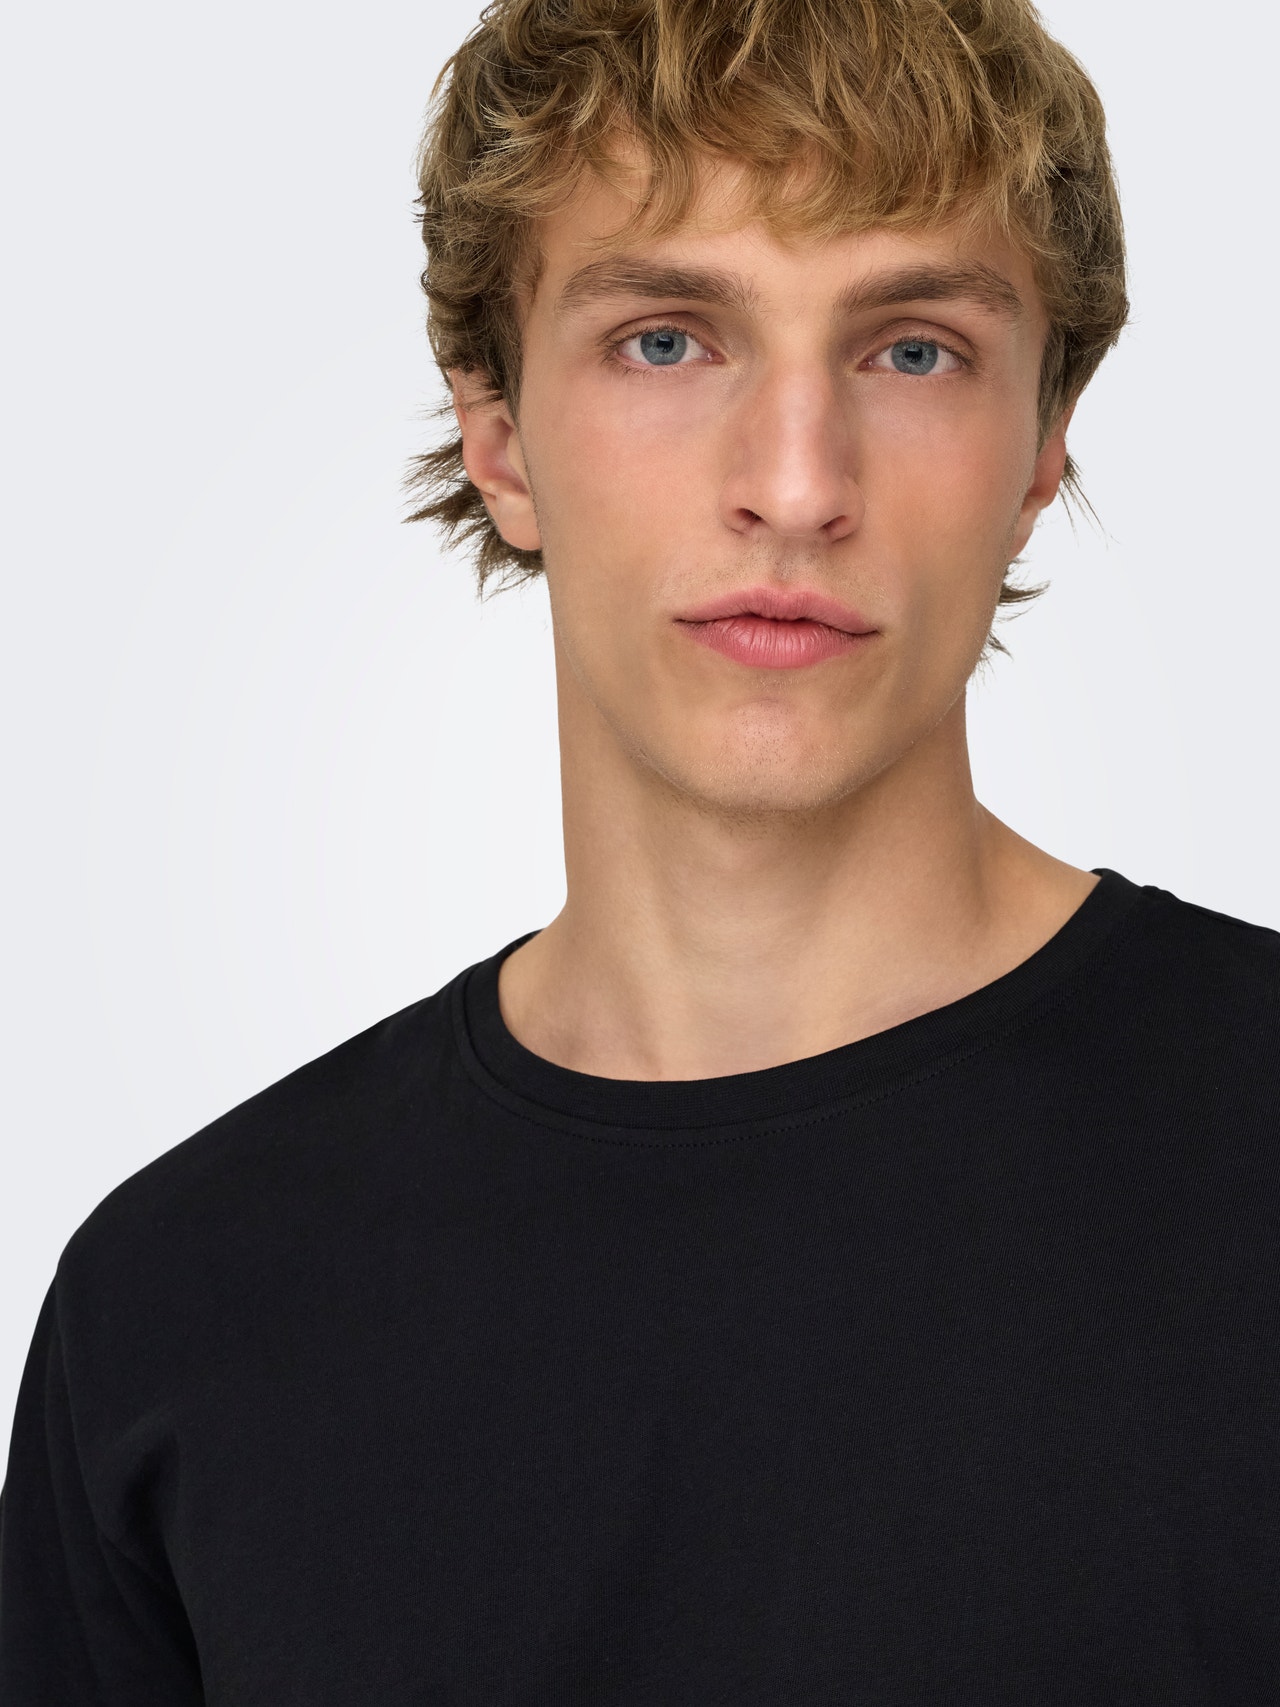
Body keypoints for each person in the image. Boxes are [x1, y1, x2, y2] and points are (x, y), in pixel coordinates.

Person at [2, 0, 1277, 1697]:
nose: (796, 485)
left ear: (1042, 445)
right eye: (668, 340)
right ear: (499, 435)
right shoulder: (179, 1310)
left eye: (913, 351)